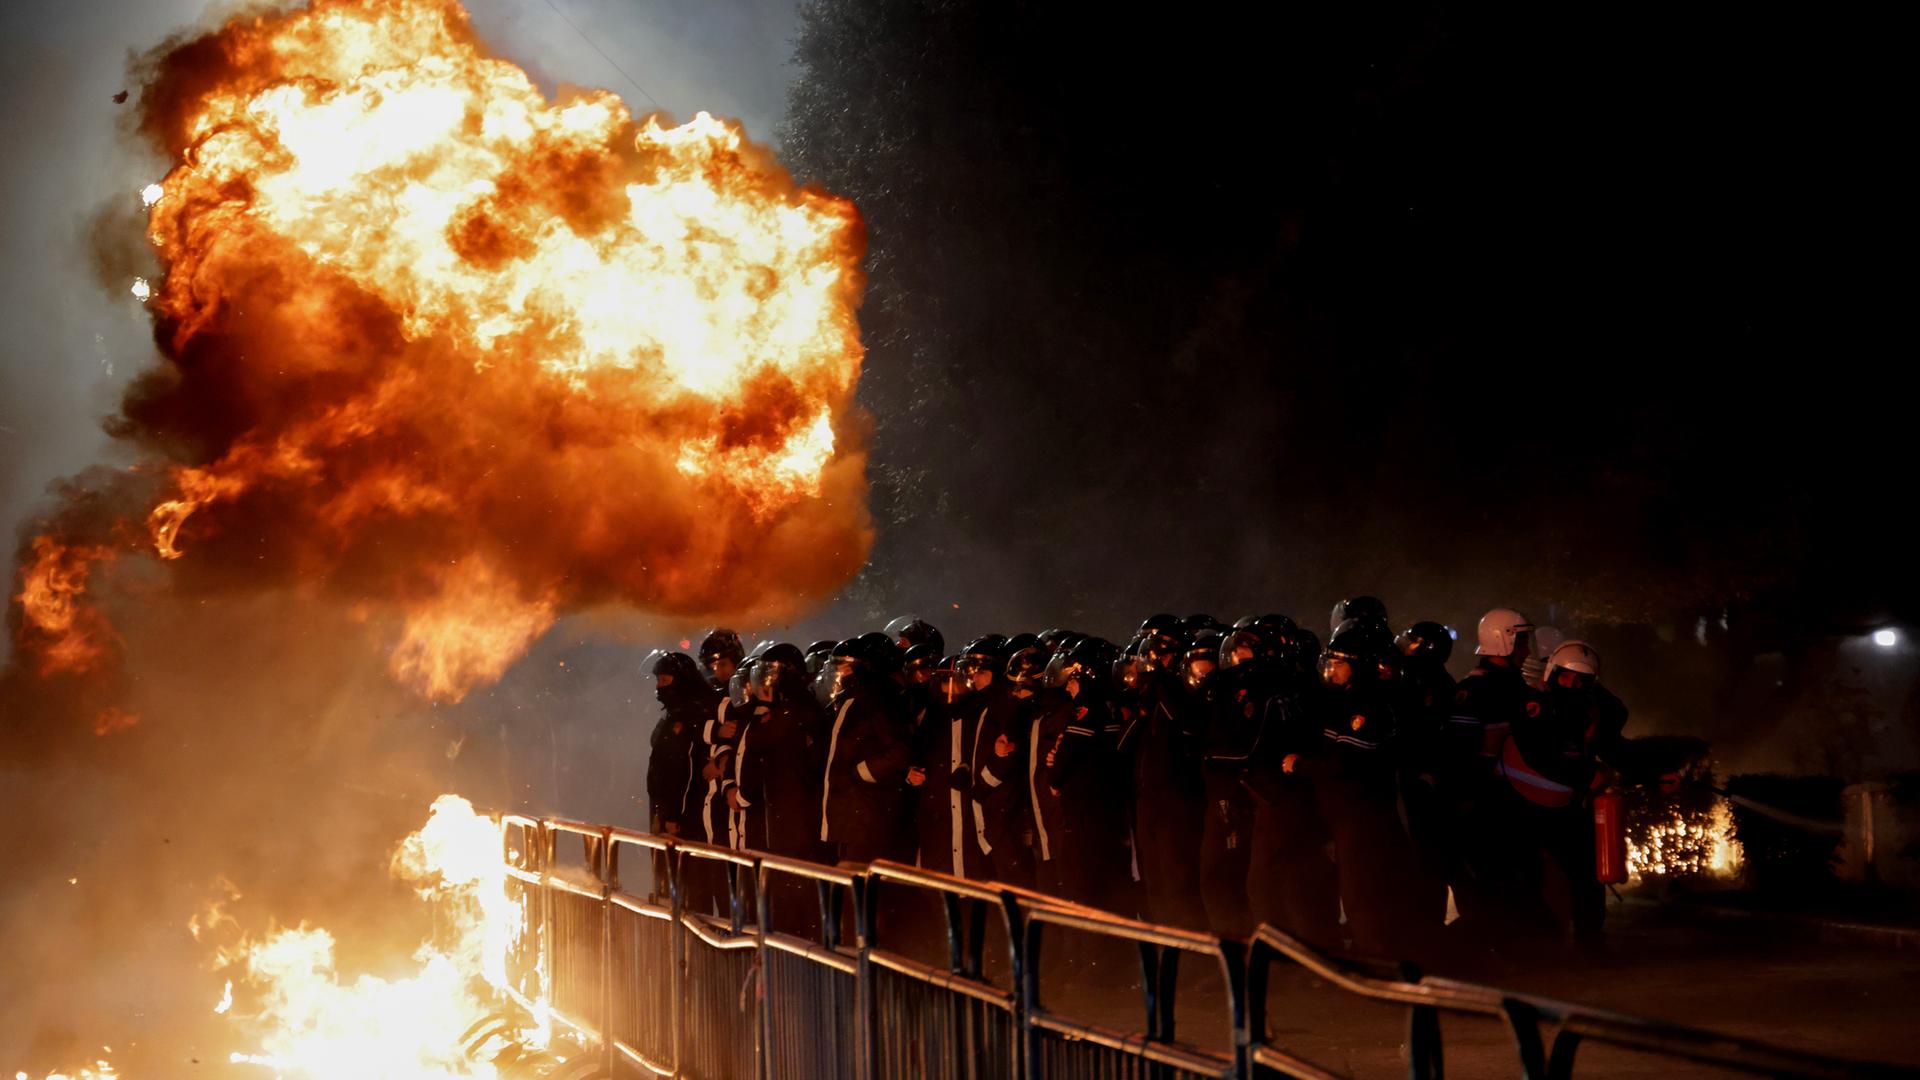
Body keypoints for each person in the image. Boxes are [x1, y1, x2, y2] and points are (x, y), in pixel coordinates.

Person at [1442, 608, 1558, 946]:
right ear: (1502, 641)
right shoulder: (1475, 690)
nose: (1526, 650)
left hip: (1518, 804)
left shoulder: (1517, 688)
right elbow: (1462, 754)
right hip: (1488, 806)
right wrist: (1468, 797)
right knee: (1498, 885)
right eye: (1521, 642)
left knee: (1524, 878)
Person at [1115, 645, 1207, 929]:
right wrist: (1142, 710)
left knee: (1177, 879)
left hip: (1174, 803)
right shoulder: (1148, 700)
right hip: (1147, 802)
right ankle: (1164, 942)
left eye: (1162, 657)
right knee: (1153, 878)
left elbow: (1187, 727)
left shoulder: (1177, 694)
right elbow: (1121, 746)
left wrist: (1164, 687)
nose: (1151, 665)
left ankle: (1187, 943)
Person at [818, 638, 913, 864]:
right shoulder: (850, 699)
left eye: (844, 666)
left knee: (859, 876)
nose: (838, 672)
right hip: (850, 814)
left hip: (867, 813)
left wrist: (862, 772)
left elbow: (900, 750)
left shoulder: (875, 700)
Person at [969, 640, 1039, 886]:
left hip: (1005, 807)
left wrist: (981, 786)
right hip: (997, 808)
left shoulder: (1004, 705)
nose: (974, 678)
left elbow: (1008, 755)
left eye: (981, 672)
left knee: (1013, 881)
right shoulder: (986, 704)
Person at [906, 656, 982, 877]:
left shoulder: (976, 713)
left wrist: (966, 769)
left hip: (969, 804)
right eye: (945, 682)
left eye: (955, 682)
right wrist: (911, 774)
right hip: (936, 806)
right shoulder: (928, 717)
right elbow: (913, 754)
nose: (950, 689)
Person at [698, 628, 746, 692]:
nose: (718, 672)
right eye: (712, 668)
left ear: (737, 661)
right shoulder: (710, 693)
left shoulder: (751, 689)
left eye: (722, 664)